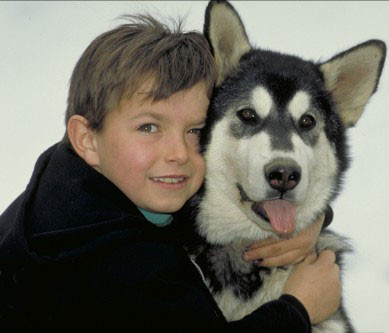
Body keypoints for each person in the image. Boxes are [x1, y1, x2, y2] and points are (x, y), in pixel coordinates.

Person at [0, 14, 341, 331]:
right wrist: (298, 308)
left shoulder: (71, 181)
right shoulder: (122, 266)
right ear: (87, 139)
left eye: (195, 130)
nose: (179, 153)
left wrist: (303, 217)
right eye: (149, 127)